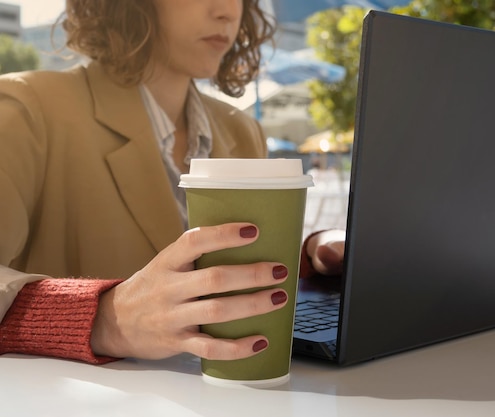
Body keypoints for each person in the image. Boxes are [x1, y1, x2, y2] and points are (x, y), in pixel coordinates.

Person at [0, 0, 344, 364]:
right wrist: (103, 318)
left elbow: (214, 284)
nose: (228, 11)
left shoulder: (241, 131)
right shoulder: (25, 108)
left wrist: (310, 262)